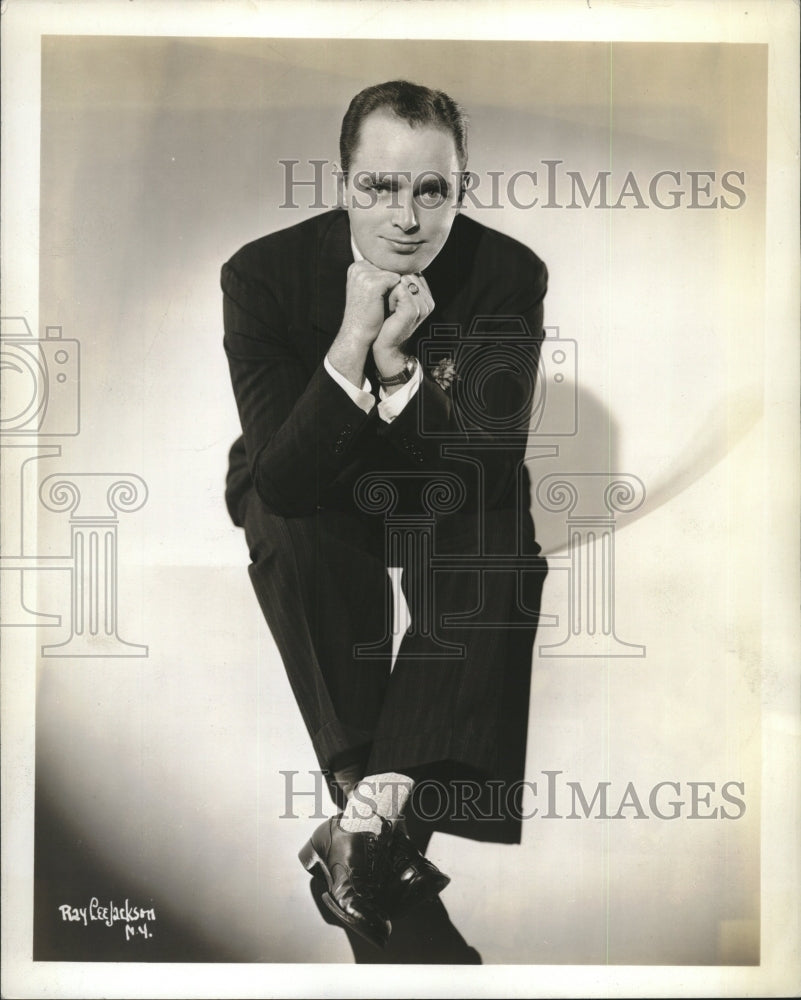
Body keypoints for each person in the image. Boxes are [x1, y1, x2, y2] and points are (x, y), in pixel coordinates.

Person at [222, 80, 548, 950]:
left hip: (434, 478)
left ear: (459, 191)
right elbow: (284, 479)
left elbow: (482, 467)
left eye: (431, 190)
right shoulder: (262, 275)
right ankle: (386, 863)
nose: (406, 217)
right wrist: (348, 345)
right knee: (278, 515)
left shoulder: (507, 276)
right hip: (314, 481)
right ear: (341, 184)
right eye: (378, 188)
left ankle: (360, 828)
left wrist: (401, 371)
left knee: (500, 536)